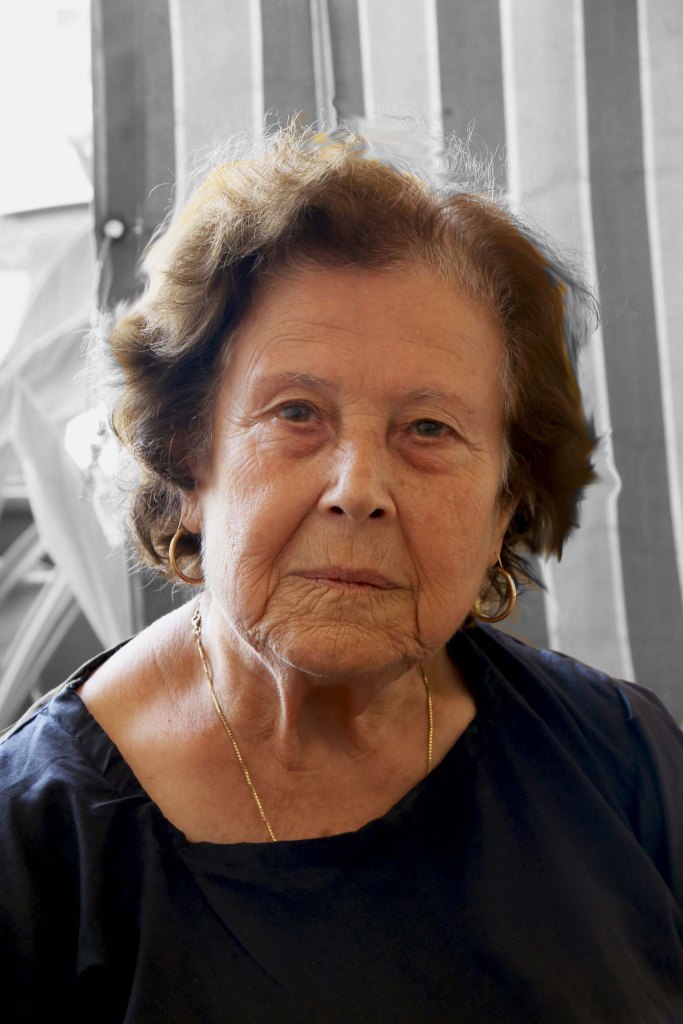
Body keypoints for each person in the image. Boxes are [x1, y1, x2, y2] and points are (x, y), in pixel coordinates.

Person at [1, 125, 682, 1023]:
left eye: (429, 429)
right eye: (296, 413)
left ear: (503, 507)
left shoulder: (621, 758)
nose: (358, 489)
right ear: (187, 462)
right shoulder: (35, 847)